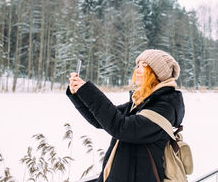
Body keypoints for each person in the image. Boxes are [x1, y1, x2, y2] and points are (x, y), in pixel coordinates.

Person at [66, 49, 185, 182]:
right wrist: (78, 94)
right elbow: (101, 120)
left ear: (157, 74)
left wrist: (87, 90)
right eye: (137, 66)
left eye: (144, 67)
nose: (137, 70)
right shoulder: (141, 102)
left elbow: (122, 128)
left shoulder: (164, 107)